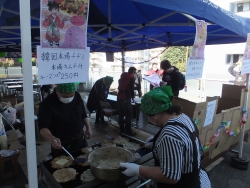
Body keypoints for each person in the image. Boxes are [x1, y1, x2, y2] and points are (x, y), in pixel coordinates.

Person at [120, 86, 211, 188]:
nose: (148, 119)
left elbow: (171, 177)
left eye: (147, 116)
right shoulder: (184, 117)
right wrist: (157, 141)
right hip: (198, 176)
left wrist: (138, 170)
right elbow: (197, 140)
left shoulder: (169, 135)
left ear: (156, 114)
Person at [38, 83, 92, 158]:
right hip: (61, 143)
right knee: (63, 166)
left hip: (80, 139)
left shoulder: (77, 96)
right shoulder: (47, 103)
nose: (69, 98)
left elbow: (83, 114)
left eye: (71, 96)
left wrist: (88, 127)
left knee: (84, 162)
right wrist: (52, 139)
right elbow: (43, 127)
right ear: (57, 91)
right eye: (65, 96)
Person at [117, 67, 136, 136]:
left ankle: (122, 130)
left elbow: (119, 87)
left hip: (119, 97)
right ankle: (128, 131)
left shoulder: (122, 77)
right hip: (126, 97)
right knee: (129, 114)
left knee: (121, 114)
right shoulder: (131, 78)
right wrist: (133, 98)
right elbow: (131, 89)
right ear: (133, 72)